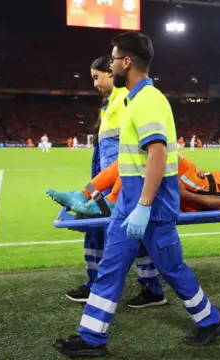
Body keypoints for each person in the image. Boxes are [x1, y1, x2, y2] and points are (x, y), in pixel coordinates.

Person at [52, 32, 220, 358]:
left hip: (152, 207)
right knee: (111, 268)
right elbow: (134, 162)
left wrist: (144, 206)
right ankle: (92, 338)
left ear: (127, 62)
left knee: (172, 268)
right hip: (130, 206)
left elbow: (158, 154)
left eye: (115, 59)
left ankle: (211, 320)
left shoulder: (147, 100)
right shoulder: (136, 100)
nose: (113, 64)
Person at [50, 55, 166, 308]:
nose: (94, 84)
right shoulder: (113, 103)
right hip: (111, 183)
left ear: (112, 72)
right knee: (122, 233)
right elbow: (107, 157)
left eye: (96, 77)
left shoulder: (126, 102)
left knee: (104, 231)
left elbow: (128, 155)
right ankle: (148, 288)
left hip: (122, 185)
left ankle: (106, 287)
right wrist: (91, 188)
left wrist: (103, 192)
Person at [51, 154, 220, 215]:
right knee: (134, 155)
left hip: (199, 187)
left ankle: (107, 204)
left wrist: (188, 196)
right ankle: (87, 194)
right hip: (201, 180)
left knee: (150, 154)